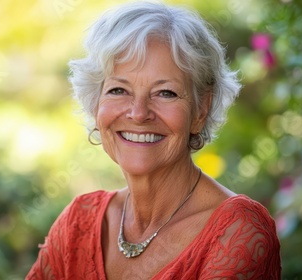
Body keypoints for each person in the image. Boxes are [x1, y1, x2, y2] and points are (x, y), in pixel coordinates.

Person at [27, 2, 281, 279]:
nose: (138, 113)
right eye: (118, 89)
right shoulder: (78, 223)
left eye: (166, 93)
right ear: (95, 103)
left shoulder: (237, 232)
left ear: (201, 109)